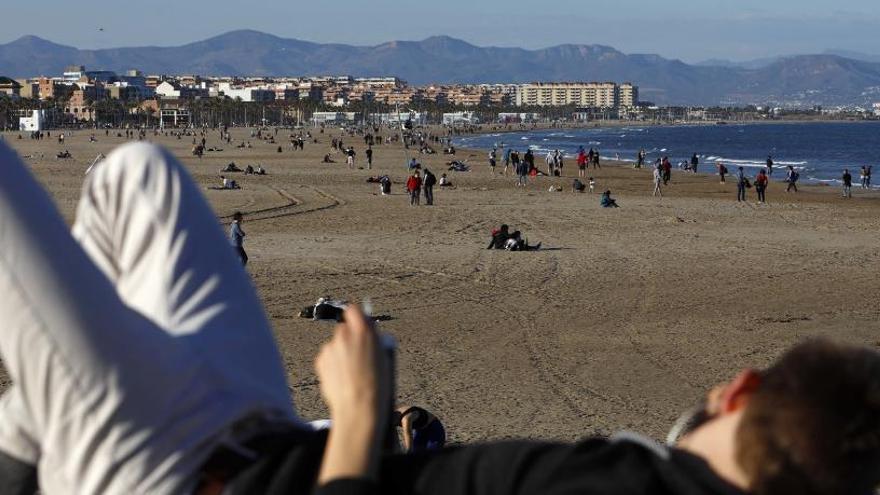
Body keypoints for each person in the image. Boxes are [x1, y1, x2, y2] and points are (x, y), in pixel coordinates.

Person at [1, 141, 880, 495]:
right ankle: (33, 440)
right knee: (135, 176)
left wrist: (356, 419)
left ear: (741, 385)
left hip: (177, 468)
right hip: (254, 429)